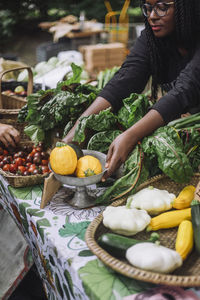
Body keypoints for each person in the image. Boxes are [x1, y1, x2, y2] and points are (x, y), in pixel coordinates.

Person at [63, 0, 200, 180]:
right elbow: (126, 78)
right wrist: (78, 128)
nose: (152, 16)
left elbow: (185, 87)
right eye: (149, 8)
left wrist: (131, 135)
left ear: (186, 7)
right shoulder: (153, 36)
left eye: (162, 7)